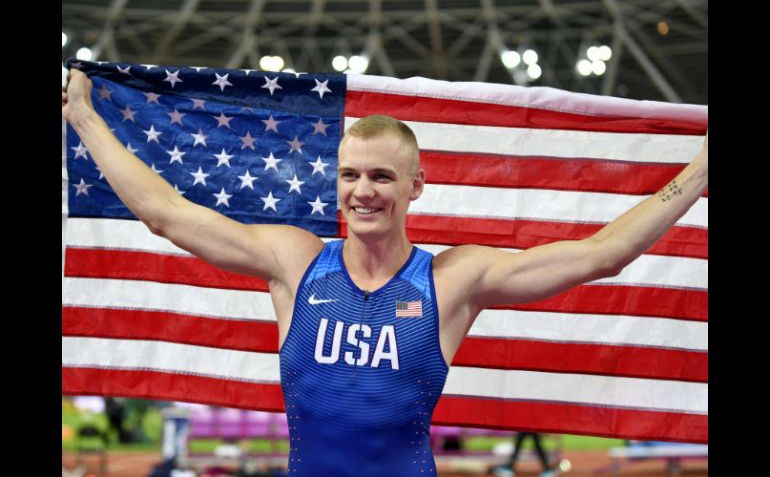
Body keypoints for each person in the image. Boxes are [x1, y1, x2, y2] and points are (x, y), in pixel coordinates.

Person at [62, 67, 708, 477]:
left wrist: (699, 171)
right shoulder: (296, 262)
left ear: (416, 187)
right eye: (350, 175)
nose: (363, 190)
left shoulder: (452, 280)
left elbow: (603, 255)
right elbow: (165, 213)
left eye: (380, 176)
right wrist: (85, 116)